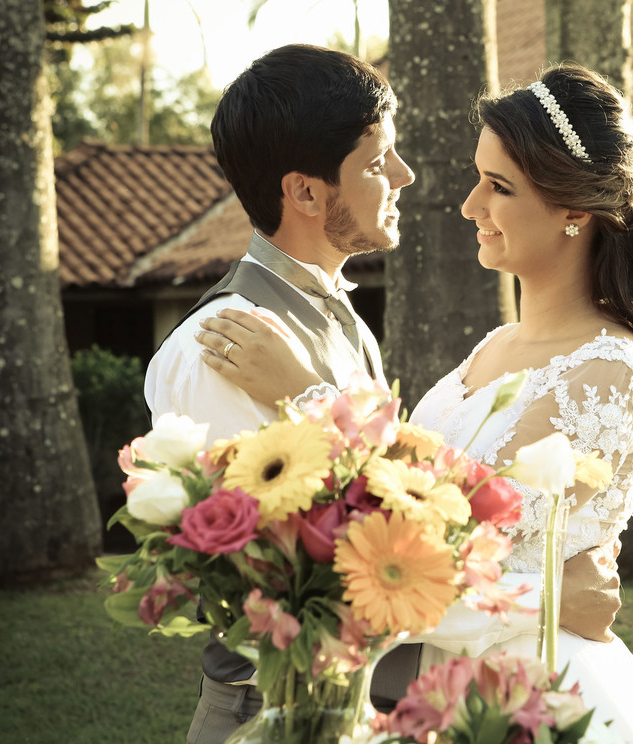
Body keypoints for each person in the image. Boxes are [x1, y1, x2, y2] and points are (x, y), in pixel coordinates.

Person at [200, 64, 633, 743]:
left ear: (573, 210)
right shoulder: (493, 348)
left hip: (524, 697)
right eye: (478, 178)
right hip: (431, 686)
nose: (470, 205)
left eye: (497, 187)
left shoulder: (607, 371)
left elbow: (432, 556)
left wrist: (304, 394)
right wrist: (553, 600)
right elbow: (408, 503)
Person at [144, 43, 419, 744]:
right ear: (304, 192)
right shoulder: (223, 344)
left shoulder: (339, 311)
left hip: (344, 696)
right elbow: (273, 567)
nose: (406, 176)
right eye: (378, 162)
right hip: (267, 710)